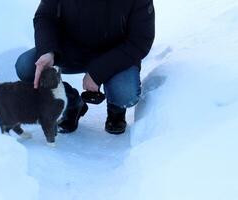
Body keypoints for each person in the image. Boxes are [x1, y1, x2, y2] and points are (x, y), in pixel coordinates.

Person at [15, 0, 155, 134]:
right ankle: (70, 103)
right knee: (26, 66)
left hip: (117, 54)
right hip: (71, 49)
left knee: (125, 93)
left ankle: (116, 109)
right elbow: (45, 16)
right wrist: (48, 51)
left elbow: (140, 41)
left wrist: (98, 72)